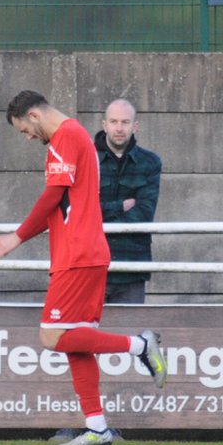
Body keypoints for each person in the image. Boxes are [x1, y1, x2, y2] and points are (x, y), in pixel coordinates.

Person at [0, 90, 167, 445]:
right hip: (85, 251)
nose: (27, 138)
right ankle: (97, 428)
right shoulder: (76, 137)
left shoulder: (65, 136)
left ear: (34, 116)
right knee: (77, 344)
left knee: (52, 336)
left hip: (78, 254)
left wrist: (15, 238)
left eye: (24, 130)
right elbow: (57, 205)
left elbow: (53, 196)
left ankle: (140, 345)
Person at [95, 99, 161, 304]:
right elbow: (81, 210)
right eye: (113, 121)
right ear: (104, 125)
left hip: (131, 265)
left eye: (125, 122)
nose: (119, 128)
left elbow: (144, 213)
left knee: (131, 332)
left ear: (135, 126)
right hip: (92, 264)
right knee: (87, 333)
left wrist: (100, 222)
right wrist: (120, 206)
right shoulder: (86, 159)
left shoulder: (150, 162)